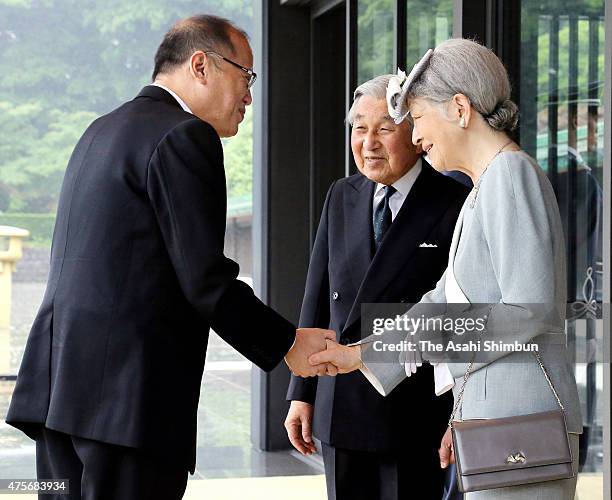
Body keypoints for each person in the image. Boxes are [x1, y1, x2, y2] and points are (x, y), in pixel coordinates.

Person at [6, 15, 334, 500]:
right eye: (246, 76)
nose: (248, 96)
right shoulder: (185, 136)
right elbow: (205, 280)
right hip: (125, 410)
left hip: (60, 400)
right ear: (201, 65)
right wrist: (289, 343)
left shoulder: (100, 130)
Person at [310, 38, 582, 499]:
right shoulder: (485, 183)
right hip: (498, 417)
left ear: (459, 108)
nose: (414, 136)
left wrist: (437, 343)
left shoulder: (508, 176)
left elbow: (529, 309)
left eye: (416, 118)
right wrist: (361, 353)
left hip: (518, 424)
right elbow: (445, 300)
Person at [285, 74, 469, 500]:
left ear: (417, 131)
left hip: (414, 408)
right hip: (340, 400)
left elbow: (462, 315)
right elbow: (317, 297)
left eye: (385, 128)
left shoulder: (453, 199)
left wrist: (461, 410)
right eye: (359, 128)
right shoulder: (341, 194)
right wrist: (302, 392)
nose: (369, 142)